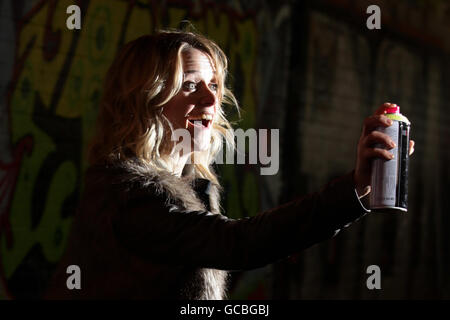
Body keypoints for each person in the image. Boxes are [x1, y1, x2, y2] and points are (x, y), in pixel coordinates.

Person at [43, 30, 415, 300]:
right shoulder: (128, 194)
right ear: (146, 100)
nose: (210, 99)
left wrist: (359, 189)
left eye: (214, 84)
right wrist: (353, 189)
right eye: (189, 85)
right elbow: (239, 243)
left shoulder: (191, 183)